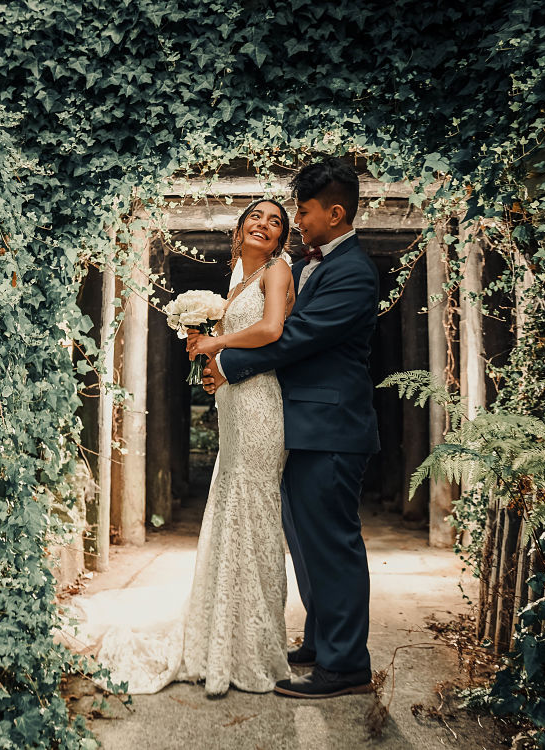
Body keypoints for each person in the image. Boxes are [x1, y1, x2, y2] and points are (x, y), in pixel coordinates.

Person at [94, 199, 294, 697]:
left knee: (256, 512)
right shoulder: (233, 278)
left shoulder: (278, 269)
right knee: (230, 511)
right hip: (233, 400)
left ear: (282, 237)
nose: (264, 225)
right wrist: (208, 355)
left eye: (275, 222)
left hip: (263, 403)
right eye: (256, 216)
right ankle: (221, 639)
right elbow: (235, 338)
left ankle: (255, 645)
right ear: (240, 226)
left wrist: (216, 346)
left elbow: (272, 331)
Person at [199, 157, 379, 699]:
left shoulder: (354, 272)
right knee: (304, 541)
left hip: (332, 426)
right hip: (300, 422)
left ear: (336, 212)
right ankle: (323, 642)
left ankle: (346, 666)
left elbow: (297, 336)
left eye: (303, 211)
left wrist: (227, 364)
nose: (298, 221)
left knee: (332, 543)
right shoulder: (312, 264)